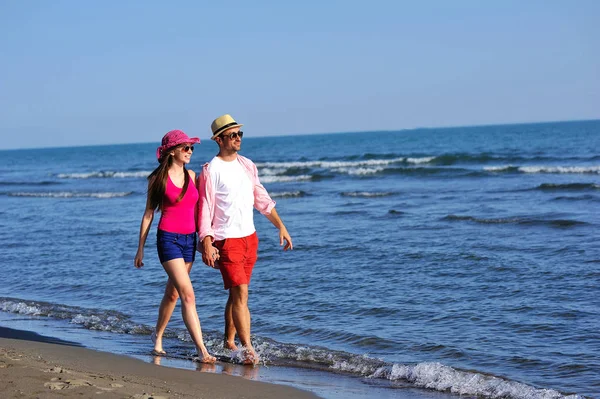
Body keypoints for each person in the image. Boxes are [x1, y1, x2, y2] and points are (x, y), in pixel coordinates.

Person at [197, 114, 293, 365]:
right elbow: (204, 207)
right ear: (219, 140)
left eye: (240, 134)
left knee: (236, 294)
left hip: (250, 237)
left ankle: (229, 341)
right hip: (226, 240)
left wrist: (280, 226)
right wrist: (206, 240)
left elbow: (261, 198)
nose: (238, 138)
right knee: (241, 293)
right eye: (232, 135)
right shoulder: (210, 170)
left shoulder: (247, 165)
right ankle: (247, 348)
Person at [134, 129, 216, 364]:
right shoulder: (157, 179)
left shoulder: (192, 175)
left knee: (172, 294)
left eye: (192, 148)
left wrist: (205, 241)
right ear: (172, 152)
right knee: (188, 295)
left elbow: (201, 210)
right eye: (186, 148)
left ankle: (157, 336)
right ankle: (202, 351)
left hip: (189, 240)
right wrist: (140, 248)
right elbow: (149, 214)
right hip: (168, 239)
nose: (190, 151)